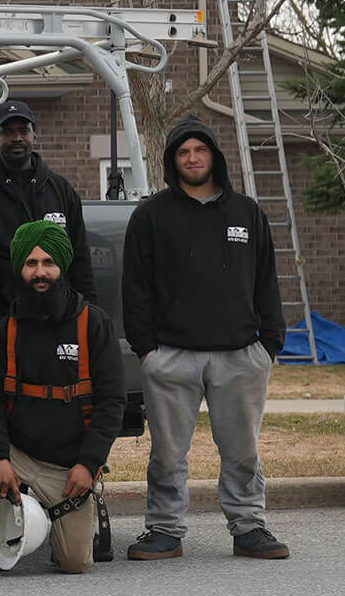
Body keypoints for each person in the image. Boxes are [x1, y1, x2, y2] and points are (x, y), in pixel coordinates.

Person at [121, 117, 289, 562]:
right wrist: (146, 350)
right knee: (167, 453)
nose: (192, 158)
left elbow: (267, 280)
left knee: (242, 450)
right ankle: (164, 530)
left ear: (214, 155)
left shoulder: (246, 214)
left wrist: (269, 343)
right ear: (172, 161)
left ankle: (249, 525)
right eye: (183, 152)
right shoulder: (150, 216)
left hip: (240, 356)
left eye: (200, 149)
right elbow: (134, 288)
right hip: (171, 357)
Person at [0, 220, 126, 574]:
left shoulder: (93, 324)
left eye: (48, 262)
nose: (40, 272)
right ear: (20, 269)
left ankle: (66, 511)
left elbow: (113, 402)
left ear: (62, 266)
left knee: (74, 563)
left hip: (68, 468)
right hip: (16, 455)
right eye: (31, 263)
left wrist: (89, 464)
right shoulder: (5, 330)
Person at [0, 100, 95, 385]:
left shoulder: (61, 190)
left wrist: (88, 321)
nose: (17, 137)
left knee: (50, 404)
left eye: (23, 130)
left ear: (34, 135)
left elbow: (80, 261)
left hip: (55, 322)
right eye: (8, 131)